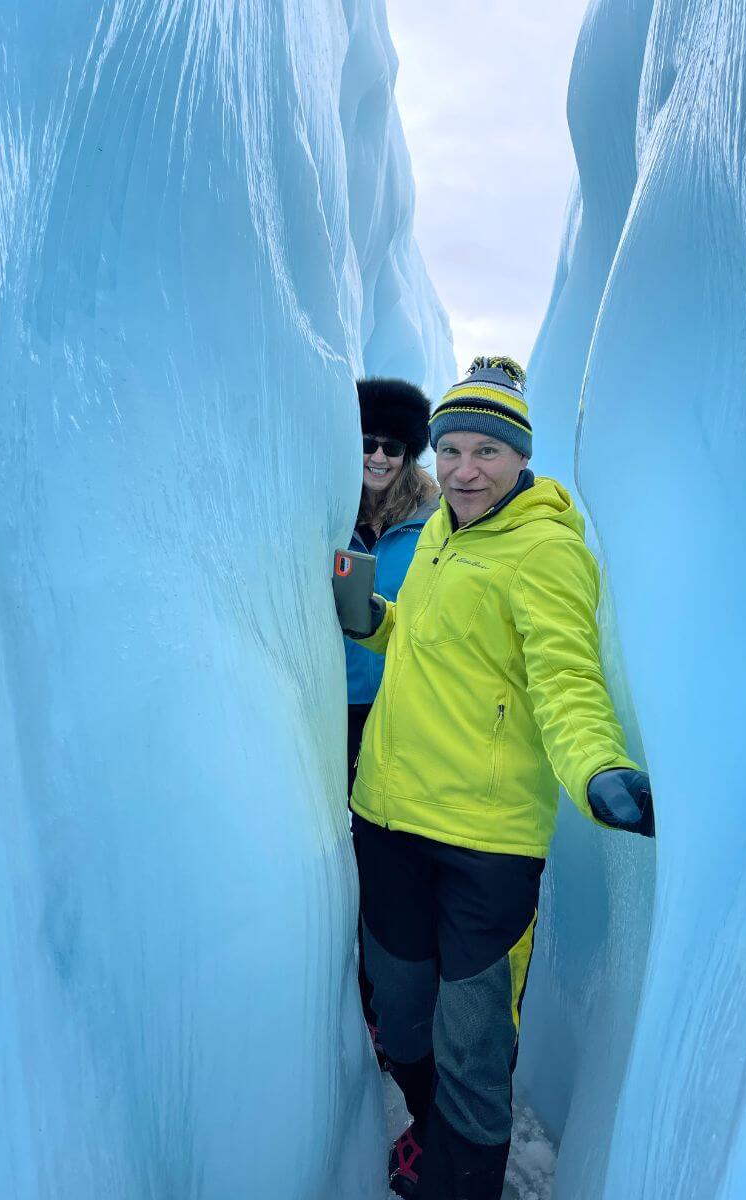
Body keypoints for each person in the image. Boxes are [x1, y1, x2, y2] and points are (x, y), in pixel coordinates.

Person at [343, 356, 654, 1200]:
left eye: (486, 451)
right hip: (388, 819)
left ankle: (460, 1179)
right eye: (450, 450)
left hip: (485, 844)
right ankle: (432, 1126)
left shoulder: (547, 550)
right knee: (401, 1012)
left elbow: (563, 678)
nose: (464, 470)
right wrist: (377, 623)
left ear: (522, 458)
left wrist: (598, 766)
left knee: (472, 1041)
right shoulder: (445, 531)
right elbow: (439, 647)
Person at [345, 377, 439, 1048]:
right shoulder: (325, 506)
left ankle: (389, 1004)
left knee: (390, 857)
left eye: (393, 446)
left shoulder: (434, 520)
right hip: (330, 706)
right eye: (367, 442)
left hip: (399, 709)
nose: (378, 457)